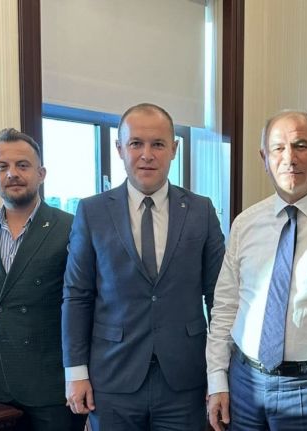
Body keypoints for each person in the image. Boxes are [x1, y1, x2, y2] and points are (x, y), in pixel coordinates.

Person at [62, 103, 225, 430]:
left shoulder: (201, 211)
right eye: (136, 143)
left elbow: (220, 298)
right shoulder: (92, 212)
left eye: (158, 144)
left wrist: (219, 374)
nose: (147, 154)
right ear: (119, 148)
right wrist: (75, 372)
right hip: (113, 378)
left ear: (174, 149)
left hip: (184, 379)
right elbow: (77, 296)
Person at [206, 110, 307, 431]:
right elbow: (225, 308)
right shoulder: (245, 224)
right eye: (278, 148)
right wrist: (217, 380)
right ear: (264, 158)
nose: (289, 158)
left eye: (301, 145)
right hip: (243, 384)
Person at [0, 128, 84, 431]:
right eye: (2, 167)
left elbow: (84, 305)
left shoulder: (70, 227)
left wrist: (82, 374)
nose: (13, 174)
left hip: (52, 386)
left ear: (41, 174)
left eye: (23, 165)